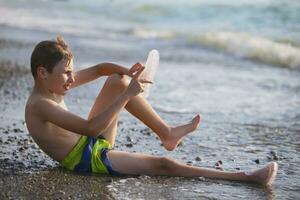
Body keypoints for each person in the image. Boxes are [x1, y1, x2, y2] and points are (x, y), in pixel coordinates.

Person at [25, 36, 278, 186]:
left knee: (117, 80)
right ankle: (244, 177)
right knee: (162, 164)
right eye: (66, 73)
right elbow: (92, 128)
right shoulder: (40, 105)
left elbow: (101, 68)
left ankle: (167, 133)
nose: (72, 78)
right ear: (42, 73)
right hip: (87, 160)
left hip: (92, 143)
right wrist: (127, 95)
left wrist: (128, 73)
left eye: (72, 72)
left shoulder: (54, 85)